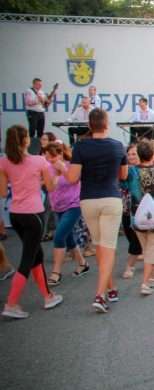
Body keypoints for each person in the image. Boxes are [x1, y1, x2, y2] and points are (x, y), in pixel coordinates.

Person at [56, 108, 128, 314]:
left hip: (88, 200)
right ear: (107, 125)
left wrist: (61, 167)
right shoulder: (117, 146)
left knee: (100, 246)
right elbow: (123, 175)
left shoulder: (80, 146)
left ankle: (111, 288)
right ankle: (100, 295)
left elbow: (72, 179)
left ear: (89, 126)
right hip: (110, 199)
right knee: (108, 247)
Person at [0, 125, 62, 318]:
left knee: (36, 255)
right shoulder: (39, 161)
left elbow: (3, 192)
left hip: (15, 215)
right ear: (26, 140)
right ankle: (11, 303)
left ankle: (47, 296)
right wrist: (57, 174)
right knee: (28, 259)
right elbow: (50, 187)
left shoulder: (4, 162)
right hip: (33, 215)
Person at [121, 140, 154, 295]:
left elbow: (123, 185)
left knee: (146, 249)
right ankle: (145, 283)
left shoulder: (132, 172)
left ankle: (151, 277)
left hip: (137, 216)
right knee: (151, 250)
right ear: (153, 154)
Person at [42, 141, 89, 286]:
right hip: (57, 206)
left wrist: (62, 169)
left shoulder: (71, 165)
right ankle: (83, 264)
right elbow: (47, 185)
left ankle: (56, 272)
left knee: (59, 236)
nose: (50, 160)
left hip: (73, 204)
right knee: (68, 238)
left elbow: (74, 180)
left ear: (61, 153)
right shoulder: (47, 167)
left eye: (53, 157)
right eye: (48, 157)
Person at [120, 145, 144, 279]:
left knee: (136, 236)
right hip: (126, 207)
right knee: (129, 234)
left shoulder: (144, 169)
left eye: (134, 154)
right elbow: (121, 184)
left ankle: (130, 267)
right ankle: (147, 253)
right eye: (128, 154)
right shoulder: (124, 170)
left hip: (140, 208)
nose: (131, 157)